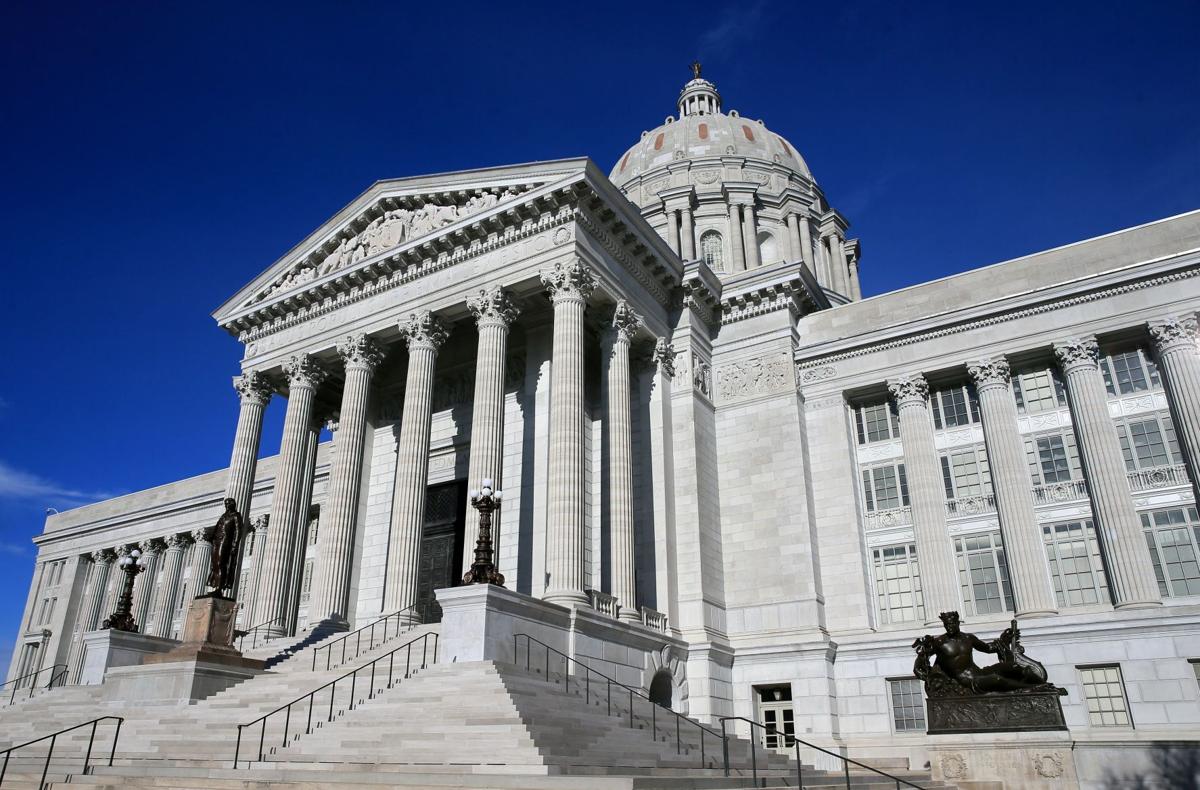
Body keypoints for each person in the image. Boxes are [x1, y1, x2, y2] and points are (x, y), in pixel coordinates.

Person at [206, 498, 243, 595]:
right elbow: (218, 527)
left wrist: (235, 545)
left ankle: (220, 587)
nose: (226, 505)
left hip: (225, 542)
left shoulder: (236, 515)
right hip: (217, 541)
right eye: (225, 504)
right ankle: (215, 585)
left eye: (228, 503)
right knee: (215, 565)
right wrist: (211, 537)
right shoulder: (223, 516)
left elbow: (238, 531)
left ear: (233, 504)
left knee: (220, 563)